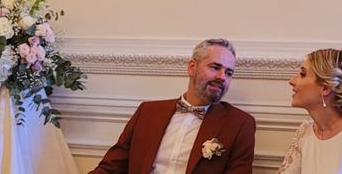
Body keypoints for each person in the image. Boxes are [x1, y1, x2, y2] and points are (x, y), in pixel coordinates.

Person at [89, 38, 256, 174]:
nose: (222, 77)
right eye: (215, 67)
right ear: (192, 67)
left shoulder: (239, 124)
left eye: (229, 73)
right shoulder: (147, 112)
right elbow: (112, 167)